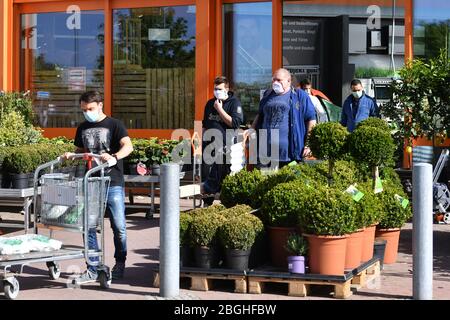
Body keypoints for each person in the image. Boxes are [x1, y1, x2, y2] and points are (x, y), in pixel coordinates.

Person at [63, 91, 133, 284]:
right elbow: (81, 150)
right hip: (91, 182)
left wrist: (114, 157)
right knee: (89, 227)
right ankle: (92, 267)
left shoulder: (115, 124)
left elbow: (128, 146)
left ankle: (120, 262)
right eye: (84, 110)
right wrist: (72, 154)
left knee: (119, 227)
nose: (87, 113)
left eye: (90, 109)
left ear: (100, 105)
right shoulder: (83, 127)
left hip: (113, 182)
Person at [251, 68, 316, 167]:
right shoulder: (267, 95)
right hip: (266, 154)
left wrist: (308, 144)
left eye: (279, 80)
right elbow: (260, 115)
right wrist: (251, 130)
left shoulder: (299, 95)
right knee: (266, 181)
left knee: (288, 181)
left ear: (289, 81)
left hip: (289, 155)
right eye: (274, 80)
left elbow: (311, 119)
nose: (275, 82)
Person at [202, 76, 244, 206]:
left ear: (227, 89)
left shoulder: (234, 103)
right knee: (206, 175)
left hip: (226, 147)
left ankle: (227, 203)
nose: (216, 91)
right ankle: (207, 204)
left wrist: (220, 109)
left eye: (219, 89)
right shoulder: (210, 103)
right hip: (209, 146)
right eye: (215, 89)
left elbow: (235, 123)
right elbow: (205, 124)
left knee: (223, 176)